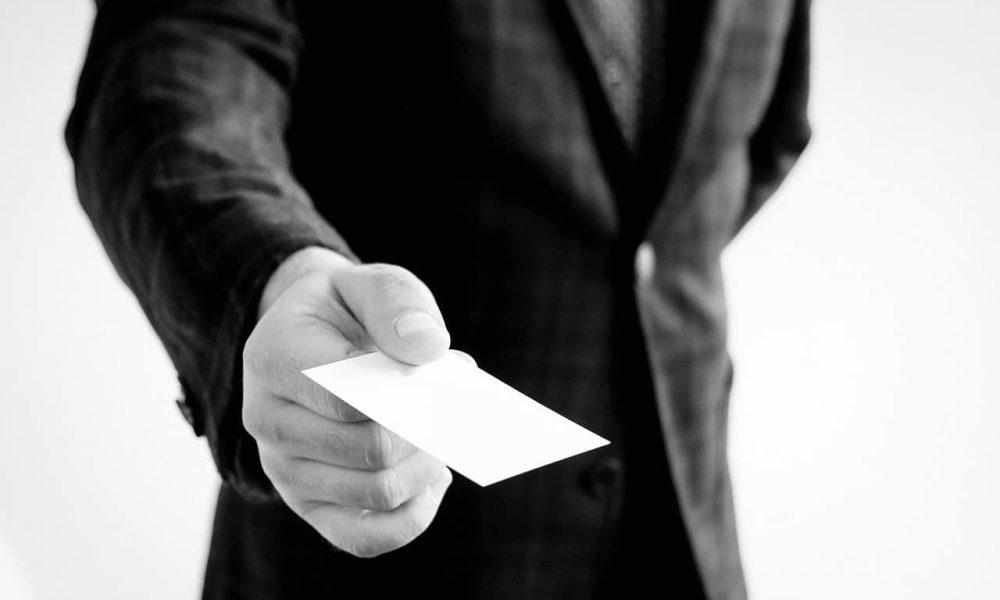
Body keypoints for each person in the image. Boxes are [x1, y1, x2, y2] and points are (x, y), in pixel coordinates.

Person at [66, 1, 811, 598]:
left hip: (687, 541)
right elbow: (174, 72)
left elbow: (769, 134)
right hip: (382, 547)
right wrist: (278, 271)